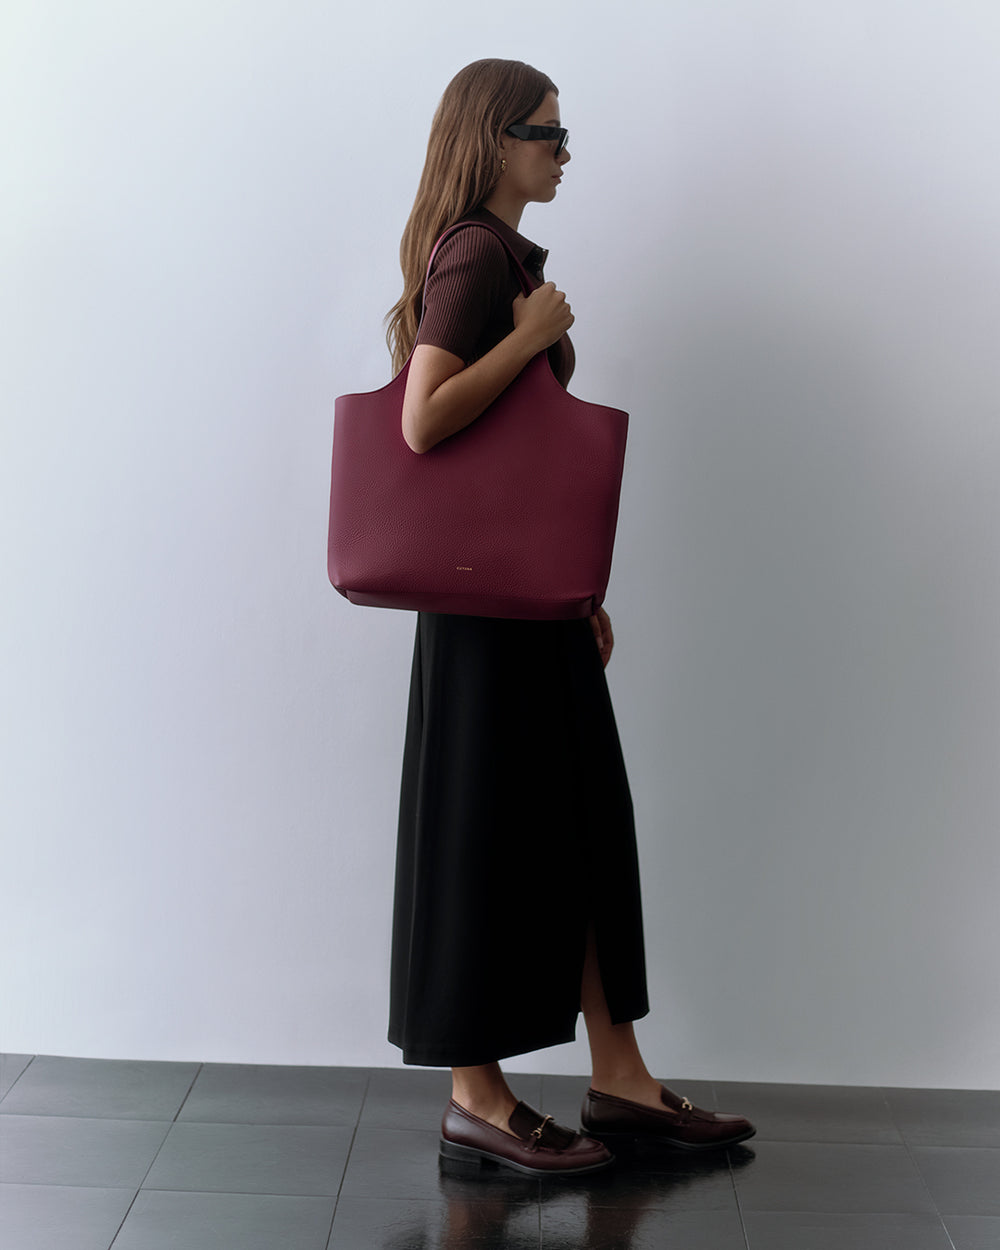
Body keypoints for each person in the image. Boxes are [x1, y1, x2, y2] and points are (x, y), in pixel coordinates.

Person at [383, 58, 754, 1176]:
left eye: (560, 127)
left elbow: (522, 459)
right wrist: (526, 329)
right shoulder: (474, 255)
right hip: (482, 616)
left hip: (521, 602)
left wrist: (575, 590)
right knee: (486, 832)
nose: (563, 145)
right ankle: (476, 1093)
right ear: (491, 140)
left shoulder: (500, 256)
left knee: (585, 823)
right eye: (545, 129)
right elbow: (423, 419)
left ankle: (621, 1076)